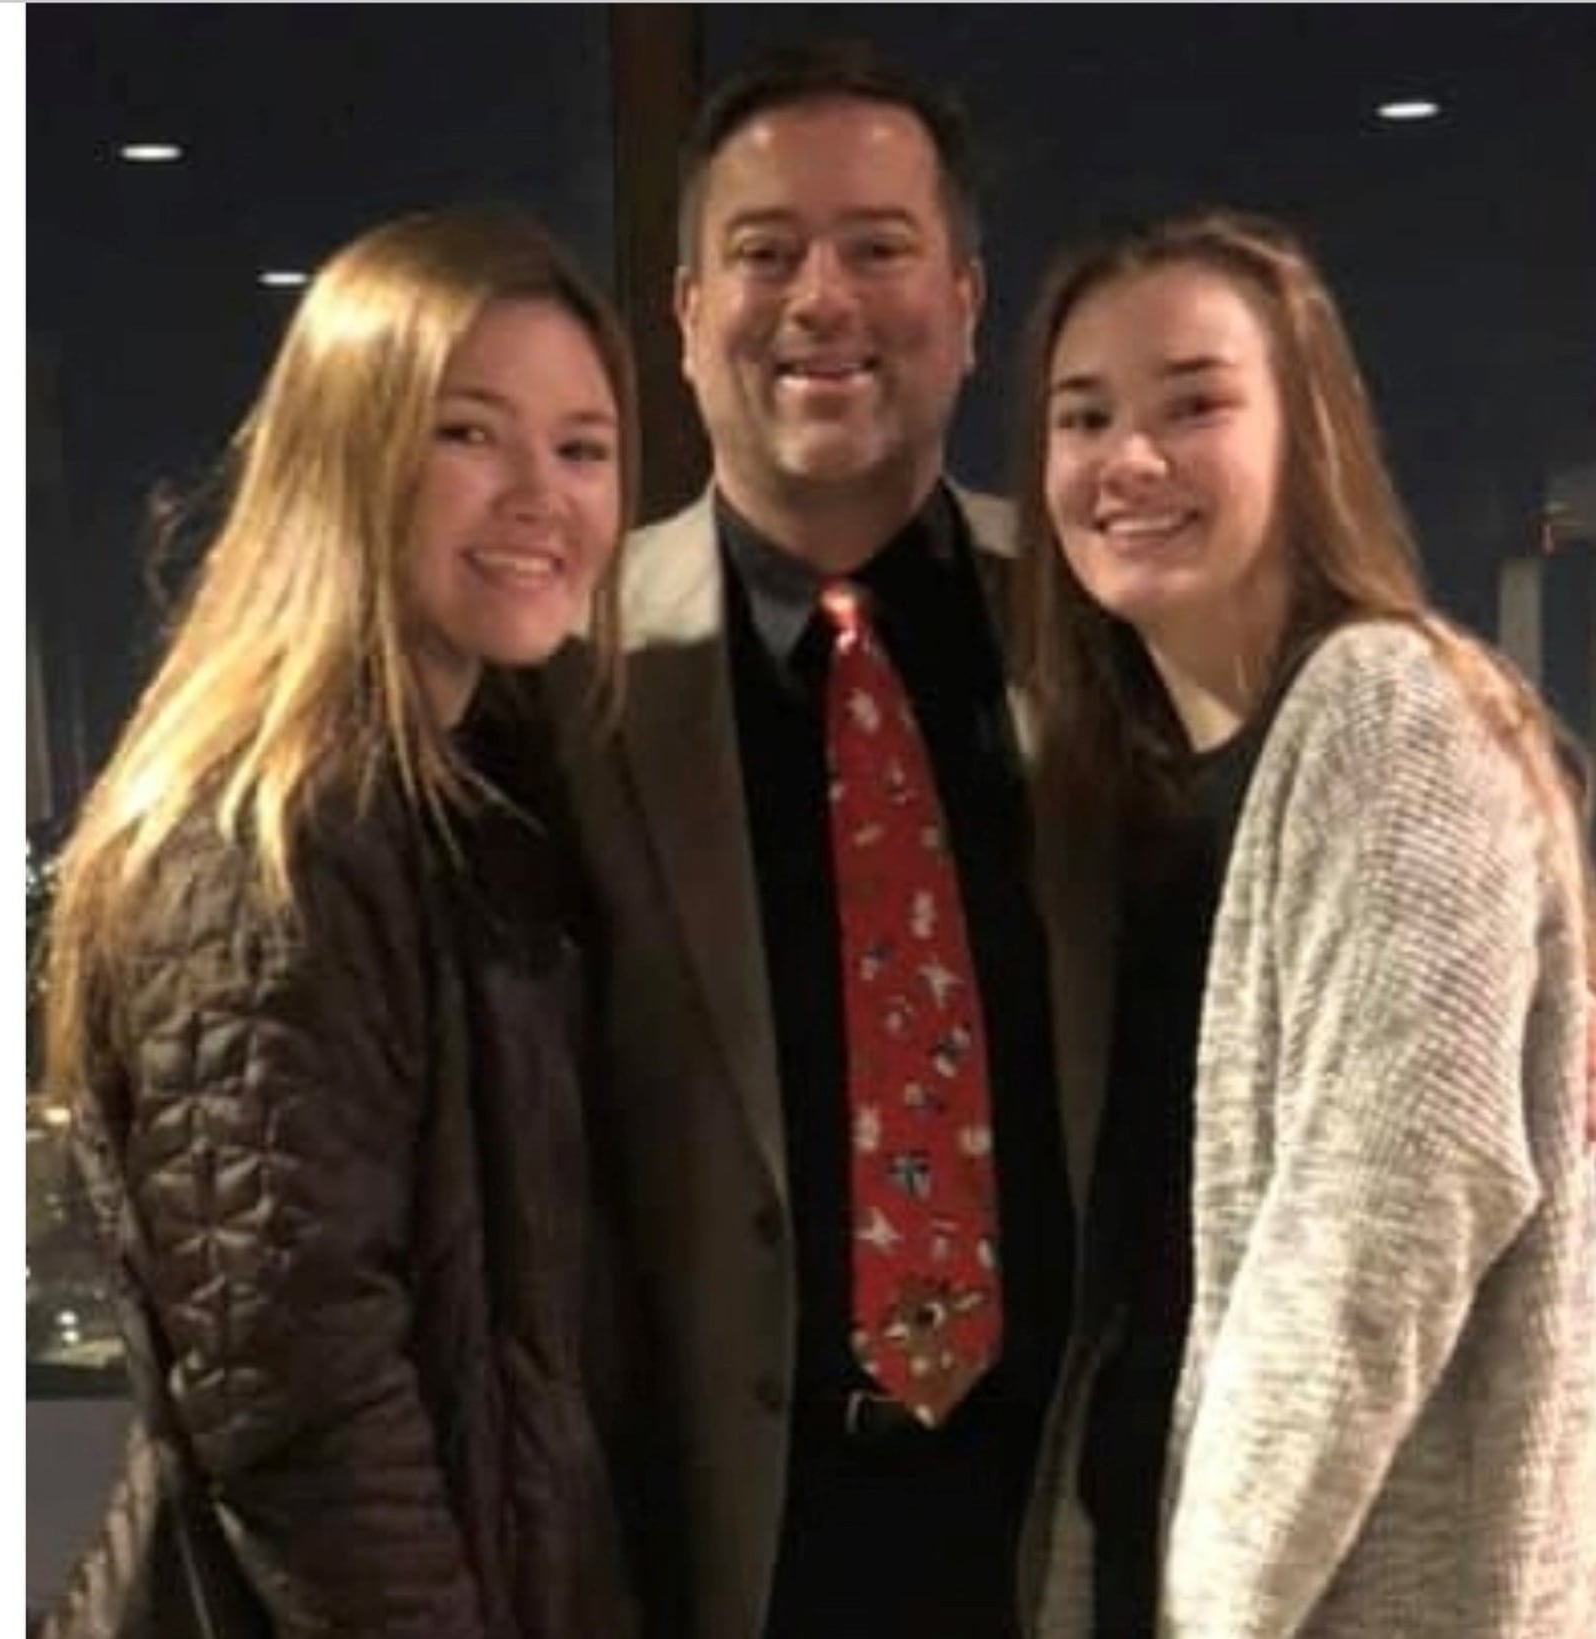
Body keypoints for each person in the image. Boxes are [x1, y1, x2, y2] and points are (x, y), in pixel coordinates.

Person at [545, 39, 1107, 1639]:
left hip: (1063, 1537)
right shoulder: (566, 677)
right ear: (682, 312)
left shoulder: (1102, 640)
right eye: (764, 251)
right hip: (696, 1555)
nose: (820, 299)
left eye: (878, 247)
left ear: (970, 301)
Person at [37, 203, 641, 1639]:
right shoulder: (273, 836)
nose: (538, 495)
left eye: (582, 448)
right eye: (467, 433)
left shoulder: (473, 799)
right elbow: (302, 1404)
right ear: (348, 455)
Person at [1010, 207, 1596, 1636]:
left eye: (1194, 402)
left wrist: (1217, 1609)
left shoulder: (1387, 714)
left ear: (1308, 434)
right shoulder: (1157, 779)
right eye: (1084, 416)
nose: (1128, 458)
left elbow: (1381, 1223)